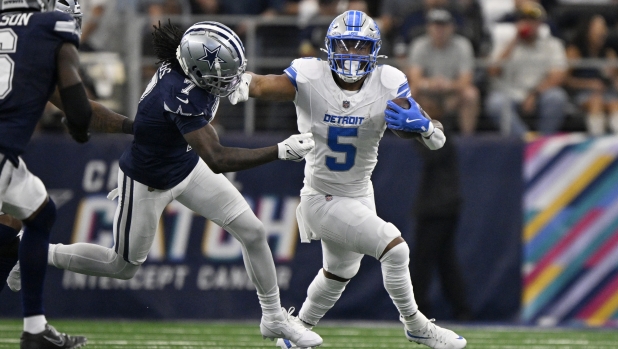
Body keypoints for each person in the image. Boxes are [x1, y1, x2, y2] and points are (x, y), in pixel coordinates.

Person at [8, 20, 323, 348]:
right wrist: (279, 150)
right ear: (197, 72)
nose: (229, 80)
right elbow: (217, 158)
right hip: (148, 181)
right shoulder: (181, 93)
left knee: (253, 232)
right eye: (222, 74)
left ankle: (272, 317)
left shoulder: (186, 66)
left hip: (185, 166)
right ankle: (39, 252)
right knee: (122, 265)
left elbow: (195, 100)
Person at [229, 10, 467, 349]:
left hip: (359, 192)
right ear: (329, 47)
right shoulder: (311, 75)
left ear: (374, 51)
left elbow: (434, 135)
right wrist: (243, 82)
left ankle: (297, 333)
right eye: (345, 45)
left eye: (360, 47)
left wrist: (427, 128)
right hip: (321, 195)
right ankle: (416, 325)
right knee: (394, 249)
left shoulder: (388, 82)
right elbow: (266, 84)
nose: (352, 54)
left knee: (340, 270)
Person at [0, 0, 91, 347]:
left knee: (40, 212)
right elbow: (78, 109)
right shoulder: (51, 25)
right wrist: (80, 128)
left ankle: (35, 329)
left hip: (6, 160)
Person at [485, 1, 568, 137]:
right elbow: (493, 71)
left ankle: (544, 140)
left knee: (557, 97)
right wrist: (514, 41)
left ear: (540, 23)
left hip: (539, 93)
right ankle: (525, 140)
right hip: (511, 93)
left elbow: (558, 76)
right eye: (524, 19)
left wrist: (534, 94)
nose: (528, 24)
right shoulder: (505, 43)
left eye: (533, 20)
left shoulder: (552, 45)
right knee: (495, 103)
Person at [411, 139, 471, 321]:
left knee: (423, 261)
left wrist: (416, 130)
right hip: (438, 207)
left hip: (438, 209)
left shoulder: (439, 133)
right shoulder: (436, 133)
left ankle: (418, 309)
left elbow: (431, 154)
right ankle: (461, 309)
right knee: (445, 261)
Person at [407, 8, 479, 135]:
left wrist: (448, 85)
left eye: (443, 25)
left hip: (452, 95)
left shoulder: (463, 45)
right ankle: (410, 138)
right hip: (427, 95)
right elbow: (415, 79)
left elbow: (466, 81)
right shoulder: (419, 45)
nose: (439, 30)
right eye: (435, 25)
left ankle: (468, 139)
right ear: (428, 27)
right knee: (408, 94)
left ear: (452, 27)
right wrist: (430, 84)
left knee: (471, 94)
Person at [564, 14, 618, 135]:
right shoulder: (574, 51)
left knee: (615, 104)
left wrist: (613, 76)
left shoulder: (609, 53)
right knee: (596, 102)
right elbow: (564, 79)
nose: (602, 32)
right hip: (581, 93)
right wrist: (589, 84)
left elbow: (615, 81)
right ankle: (597, 143)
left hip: (606, 92)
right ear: (588, 30)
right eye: (598, 28)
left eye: (604, 28)